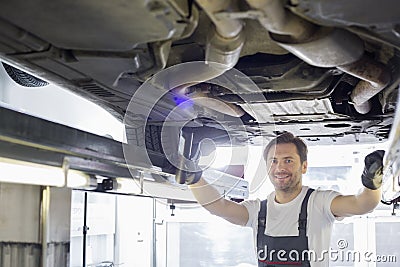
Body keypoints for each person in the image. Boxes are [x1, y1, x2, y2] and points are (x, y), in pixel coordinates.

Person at [188, 132, 384, 267]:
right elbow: (217, 206)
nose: (280, 168)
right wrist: (192, 177)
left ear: (304, 166)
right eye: (273, 161)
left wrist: (371, 181)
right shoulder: (258, 211)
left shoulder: (319, 202)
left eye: (288, 160)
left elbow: (362, 204)